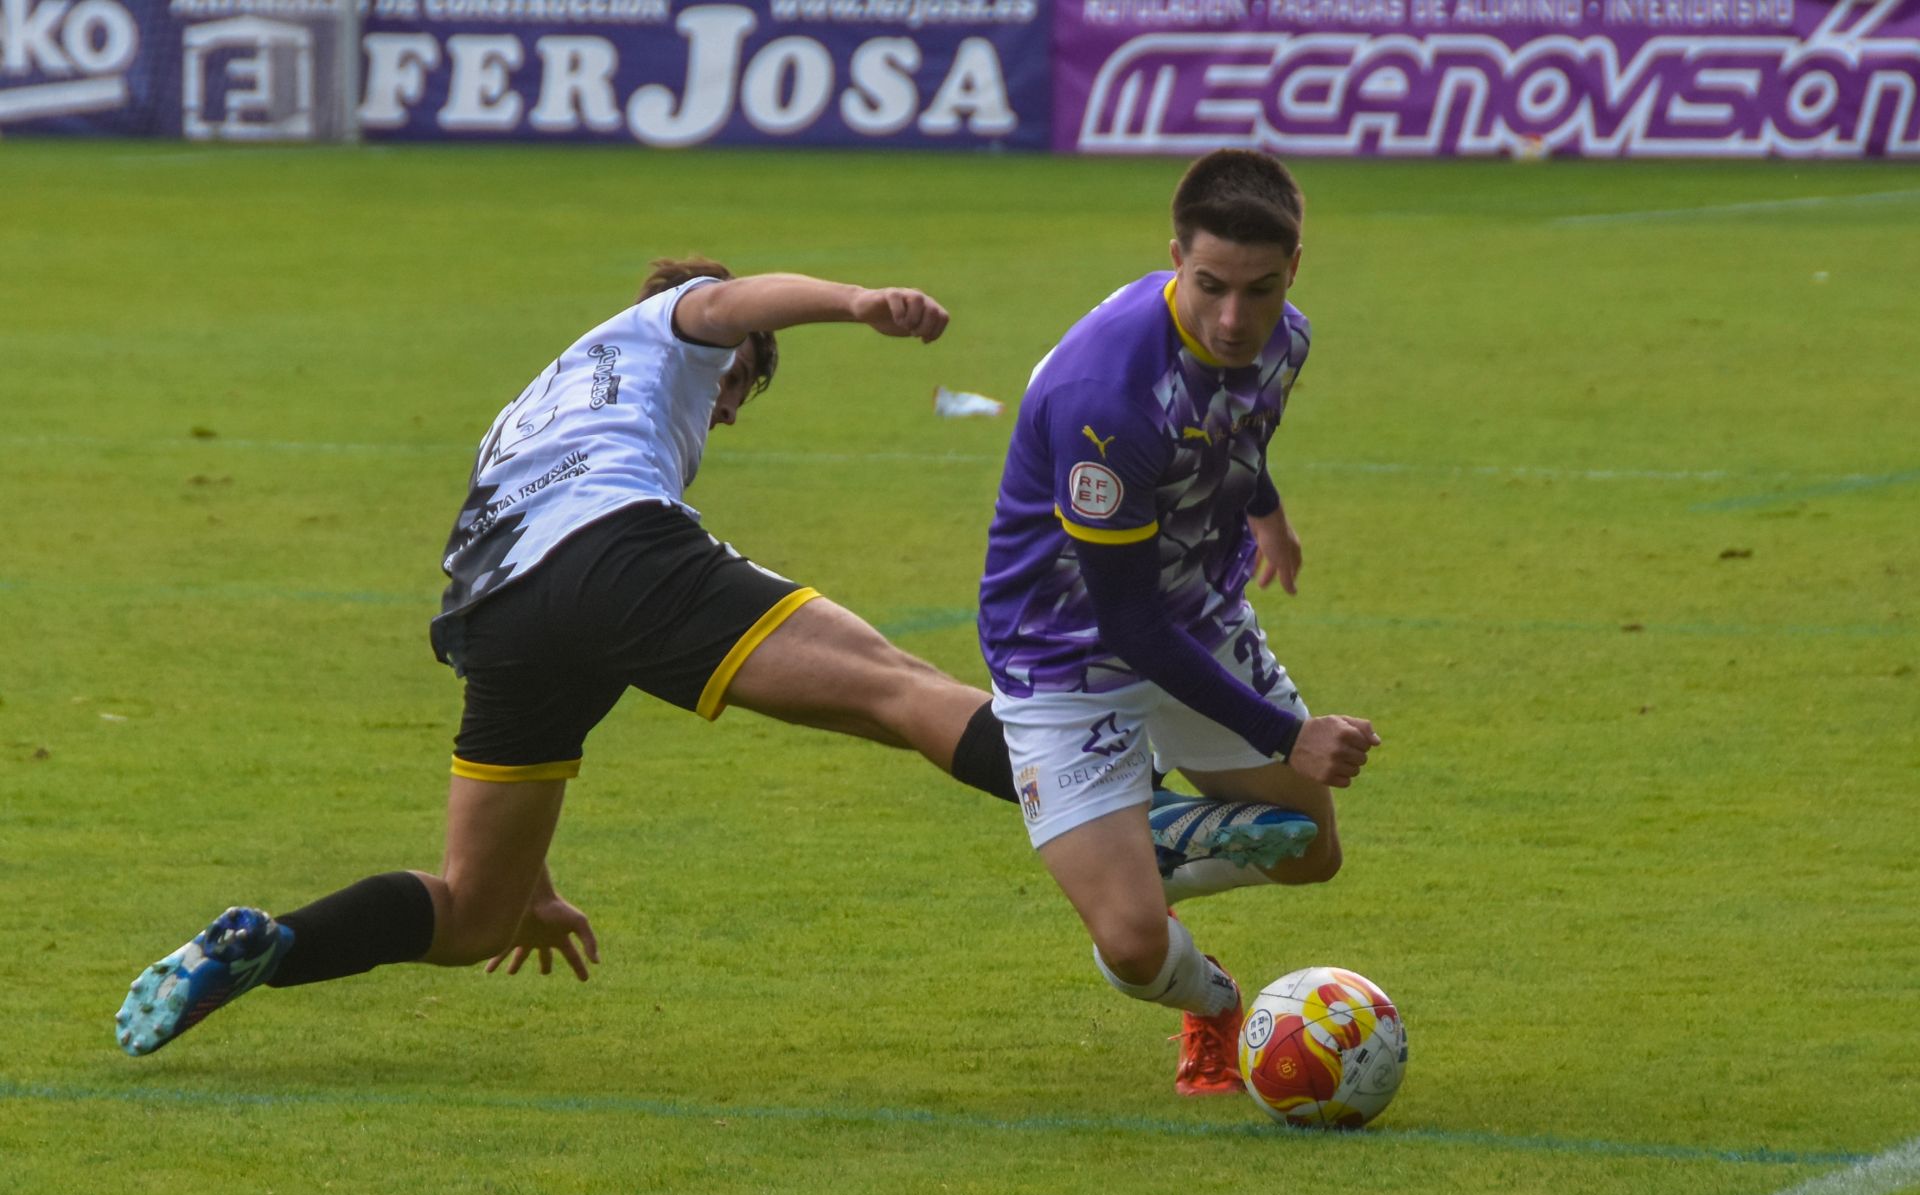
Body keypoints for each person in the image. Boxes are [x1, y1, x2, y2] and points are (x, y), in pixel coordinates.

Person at [114, 258, 1297, 1058]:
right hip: (615, 554)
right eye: (741, 382)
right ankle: (1149, 822)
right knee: (902, 690)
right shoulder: (663, 326)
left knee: (479, 908)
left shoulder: (537, 400)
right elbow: (729, 299)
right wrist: (854, 303)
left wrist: (535, 872)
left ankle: (271, 943)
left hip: (496, 606)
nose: (730, 404)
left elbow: (560, 599)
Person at [978, 149, 1382, 1097]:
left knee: (1311, 850)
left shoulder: (1286, 339)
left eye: (1261, 289)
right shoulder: (1106, 399)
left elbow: (1235, 421)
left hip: (1194, 610)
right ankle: (1213, 1004)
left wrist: (1265, 510)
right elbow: (1126, 621)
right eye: (1210, 287)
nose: (1235, 318)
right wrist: (1290, 733)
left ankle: (1151, 836)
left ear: (1294, 270)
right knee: (1130, 947)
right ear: (1173, 259)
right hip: (1066, 655)